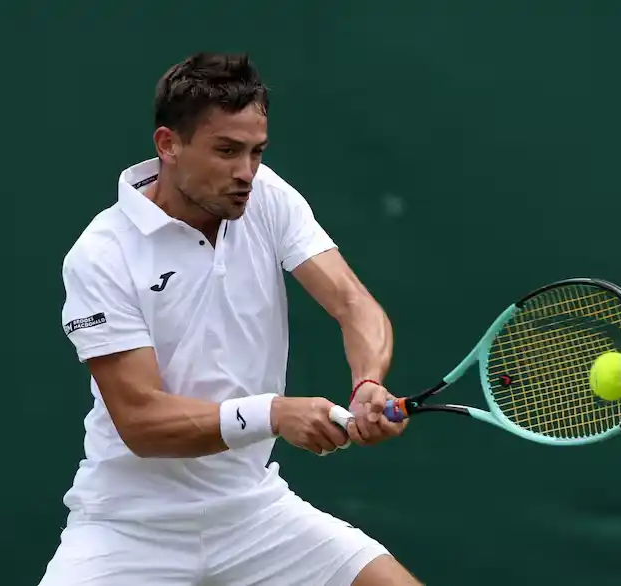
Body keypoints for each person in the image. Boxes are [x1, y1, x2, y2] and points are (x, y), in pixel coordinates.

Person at [38, 52, 422, 586]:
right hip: (129, 528)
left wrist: (368, 382)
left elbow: (353, 305)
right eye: (225, 151)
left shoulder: (267, 197)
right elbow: (142, 422)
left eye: (256, 152)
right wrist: (272, 414)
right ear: (168, 145)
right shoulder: (102, 254)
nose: (246, 173)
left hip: (254, 511)